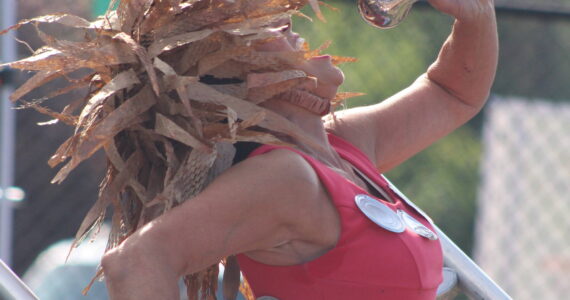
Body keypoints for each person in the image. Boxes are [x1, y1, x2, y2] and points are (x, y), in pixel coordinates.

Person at [101, 0, 498, 299]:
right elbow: (134, 261)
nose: (287, 22)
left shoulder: (341, 146)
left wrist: (476, 14)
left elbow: (453, 93)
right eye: (262, 30)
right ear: (237, 79)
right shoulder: (285, 178)